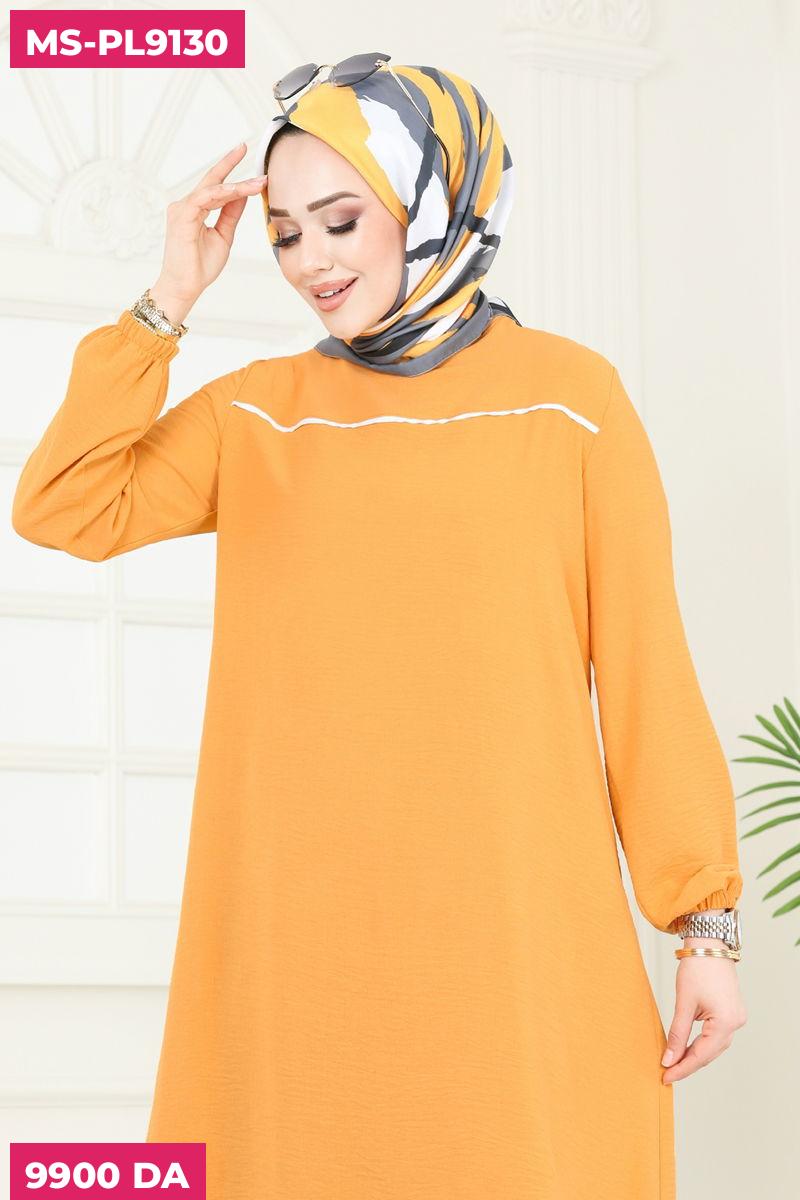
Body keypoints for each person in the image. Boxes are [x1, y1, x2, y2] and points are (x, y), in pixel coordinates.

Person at [11, 54, 746, 1200]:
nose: (310, 261)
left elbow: (647, 671)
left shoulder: (571, 402)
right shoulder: (259, 413)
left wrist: (701, 927)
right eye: (283, 233)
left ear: (430, 198)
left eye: (340, 220)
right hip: (306, 949)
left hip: (514, 934)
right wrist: (168, 299)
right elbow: (63, 504)